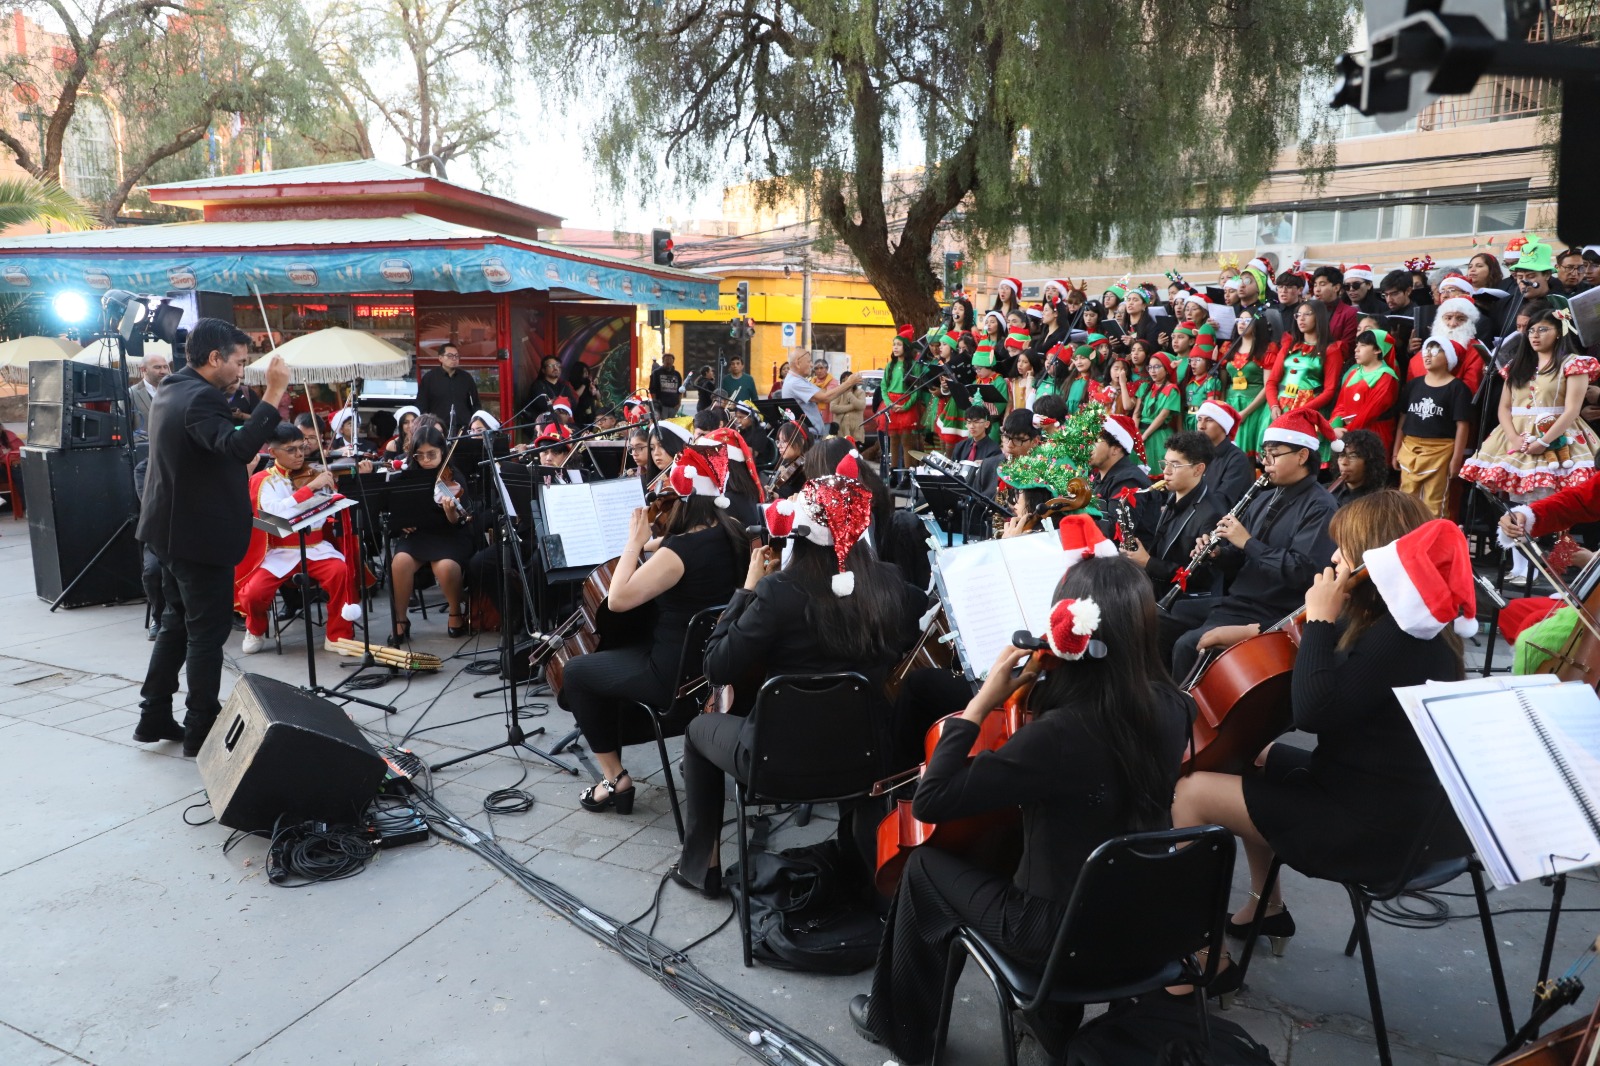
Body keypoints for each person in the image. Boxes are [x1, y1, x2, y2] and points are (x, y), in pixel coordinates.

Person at [852, 556, 1191, 1062]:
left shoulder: (1059, 735)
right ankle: (1048, 1022)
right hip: (1139, 922)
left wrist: (982, 702)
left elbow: (932, 800)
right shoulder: (1174, 706)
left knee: (924, 867)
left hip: (1054, 936)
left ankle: (902, 1027)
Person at [1172, 497, 1473, 974]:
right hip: (1375, 797)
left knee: (1189, 793)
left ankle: (1202, 954)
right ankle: (1266, 908)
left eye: (1344, 551)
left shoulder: (1398, 638)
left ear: (1377, 560)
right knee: (1251, 755)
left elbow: (1314, 710)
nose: (1333, 561)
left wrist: (1318, 619)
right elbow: (1334, 654)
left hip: (1369, 829)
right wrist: (1257, 632)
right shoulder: (1400, 622)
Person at [672, 474, 923, 896]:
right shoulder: (890, 581)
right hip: (866, 757)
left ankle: (702, 867)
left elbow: (716, 666)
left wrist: (746, 589)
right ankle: (864, 858)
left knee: (697, 732)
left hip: (777, 764)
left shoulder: (777, 591)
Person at [560, 446, 744, 815]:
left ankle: (614, 780)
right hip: (713, 666)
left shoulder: (678, 554)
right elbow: (664, 546)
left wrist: (632, 541)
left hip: (671, 675)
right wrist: (650, 541)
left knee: (576, 672)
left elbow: (618, 600)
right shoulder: (732, 530)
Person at [135, 320, 290, 753]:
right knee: (206, 632)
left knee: (176, 624)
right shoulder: (201, 397)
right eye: (239, 361)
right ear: (214, 358)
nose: (244, 370)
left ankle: (153, 715)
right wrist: (274, 392)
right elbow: (237, 449)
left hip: (169, 533)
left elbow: (211, 444)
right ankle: (201, 725)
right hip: (197, 538)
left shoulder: (173, 387)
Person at [1170, 408, 1339, 680]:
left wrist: (1247, 542)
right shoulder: (1263, 497)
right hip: (1239, 600)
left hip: (1273, 610)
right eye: (1264, 453)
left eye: (1274, 454)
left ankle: (1188, 713)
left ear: (1302, 455)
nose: (1265, 462)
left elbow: (1302, 572)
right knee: (1162, 617)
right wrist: (1216, 554)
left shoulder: (1321, 507)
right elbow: (1240, 561)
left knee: (1188, 645)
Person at [234, 423, 358, 656]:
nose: (300, 455)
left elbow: (323, 517)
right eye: (291, 450)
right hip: (279, 551)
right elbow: (275, 515)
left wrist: (332, 500)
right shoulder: (263, 481)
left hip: (315, 546)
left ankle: (338, 634)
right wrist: (310, 489)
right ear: (273, 453)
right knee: (253, 593)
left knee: (340, 571)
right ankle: (256, 627)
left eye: (302, 448)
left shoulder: (316, 473)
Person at [1461, 308, 1600, 505]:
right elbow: (1504, 408)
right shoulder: (1516, 365)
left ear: (1559, 331)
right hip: (1516, 435)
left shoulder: (1573, 364)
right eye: (1531, 330)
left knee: (1555, 498)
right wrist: (1514, 439)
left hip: (1558, 433)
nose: (1535, 335)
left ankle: (1558, 536)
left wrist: (1544, 442)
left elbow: (1572, 410)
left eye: (1543, 329)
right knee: (1515, 502)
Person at [387, 422, 474, 644]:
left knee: (445, 567)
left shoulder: (454, 477)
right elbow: (394, 515)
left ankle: (455, 613)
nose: (425, 460)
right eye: (420, 455)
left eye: (431, 454)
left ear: (443, 451)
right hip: (418, 535)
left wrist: (450, 512)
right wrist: (402, 523)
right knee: (400, 562)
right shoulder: (406, 477)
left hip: (449, 535)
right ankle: (400, 619)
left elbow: (459, 522)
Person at [1123, 431, 1226, 605]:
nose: (1166, 471)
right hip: (1158, 590)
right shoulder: (1173, 496)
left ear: (1198, 469)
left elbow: (1201, 577)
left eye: (1175, 465)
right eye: (1165, 463)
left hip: (1184, 602)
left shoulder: (1212, 514)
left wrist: (1148, 562)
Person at [1394, 339, 1475, 518]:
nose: (1428, 355)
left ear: (1449, 358)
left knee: (1435, 500)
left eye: (1436, 351)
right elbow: (1403, 418)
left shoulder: (1457, 388)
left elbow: (1462, 425)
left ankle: (1433, 540)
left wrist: (1456, 458)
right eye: (1426, 350)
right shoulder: (1414, 385)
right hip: (1409, 447)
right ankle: (1406, 539)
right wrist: (1395, 451)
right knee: (1406, 498)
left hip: (1441, 449)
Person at [1331, 329, 1401, 454]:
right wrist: (1335, 427)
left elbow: (1369, 412)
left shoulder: (1387, 377)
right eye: (1357, 345)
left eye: (1363, 345)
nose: (1356, 349)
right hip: (1348, 434)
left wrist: (1346, 434)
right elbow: (1340, 404)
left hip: (1373, 435)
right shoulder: (1354, 373)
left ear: (1377, 349)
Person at [1089, 413, 1156, 542]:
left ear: (1116, 449)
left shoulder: (1130, 481)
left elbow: (1116, 532)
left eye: (1096, 441)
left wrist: (1076, 517)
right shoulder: (1098, 476)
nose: (1088, 446)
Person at [880, 327, 927, 480]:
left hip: (907, 404)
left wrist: (906, 406)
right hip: (892, 404)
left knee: (907, 441)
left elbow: (917, 389)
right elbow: (884, 386)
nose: (895, 347)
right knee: (893, 440)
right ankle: (892, 472)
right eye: (894, 344)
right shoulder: (890, 366)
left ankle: (908, 475)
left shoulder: (915, 365)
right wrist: (889, 403)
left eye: (899, 344)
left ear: (906, 347)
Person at [1194, 400, 1257, 508]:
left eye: (1209, 420)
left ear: (1224, 426)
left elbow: (1222, 500)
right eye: (1199, 420)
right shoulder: (1195, 452)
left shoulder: (1237, 459)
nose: (1201, 426)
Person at [780, 350, 858, 433]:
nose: (811, 365)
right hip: (808, 436)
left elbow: (823, 393)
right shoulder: (795, 382)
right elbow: (825, 398)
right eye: (809, 361)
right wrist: (849, 382)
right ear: (798, 363)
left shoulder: (799, 380)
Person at [1136, 351, 1181, 476]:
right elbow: (1136, 413)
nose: (1152, 371)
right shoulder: (1144, 387)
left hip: (1158, 435)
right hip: (1140, 433)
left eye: (1157, 367)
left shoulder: (1172, 390)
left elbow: (1162, 417)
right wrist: (1135, 433)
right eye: (1150, 367)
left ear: (1166, 369)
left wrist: (1144, 436)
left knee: (1157, 472)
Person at [417, 343, 479, 431]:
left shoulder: (466, 378)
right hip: (438, 428)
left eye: (456, 356)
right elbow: (421, 405)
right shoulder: (429, 378)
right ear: (440, 358)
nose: (454, 359)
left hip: (463, 428)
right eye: (450, 356)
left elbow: (476, 403)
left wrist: (475, 423)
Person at [1331, 428, 1388, 507]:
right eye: (1341, 455)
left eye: (1353, 456)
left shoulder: (1380, 501)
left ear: (1370, 461)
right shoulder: (1326, 493)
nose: (1344, 462)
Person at [1311, 266, 1359, 350]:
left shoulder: (1350, 313)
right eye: (1315, 285)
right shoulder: (1310, 311)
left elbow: (1347, 346)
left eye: (1322, 284)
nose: (1317, 289)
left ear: (1336, 288)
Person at [129, 351, 170, 434]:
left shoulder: (174, 391)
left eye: (165, 367)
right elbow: (124, 429)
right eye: (157, 367)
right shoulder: (131, 394)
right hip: (144, 445)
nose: (163, 371)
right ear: (143, 369)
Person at [650, 353, 684, 417]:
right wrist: (655, 403)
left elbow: (680, 390)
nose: (668, 362)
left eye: (670, 360)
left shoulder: (677, 374)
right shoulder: (656, 373)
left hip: (674, 405)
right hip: (661, 405)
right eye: (666, 360)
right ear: (663, 361)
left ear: (673, 361)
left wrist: (679, 403)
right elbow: (652, 389)